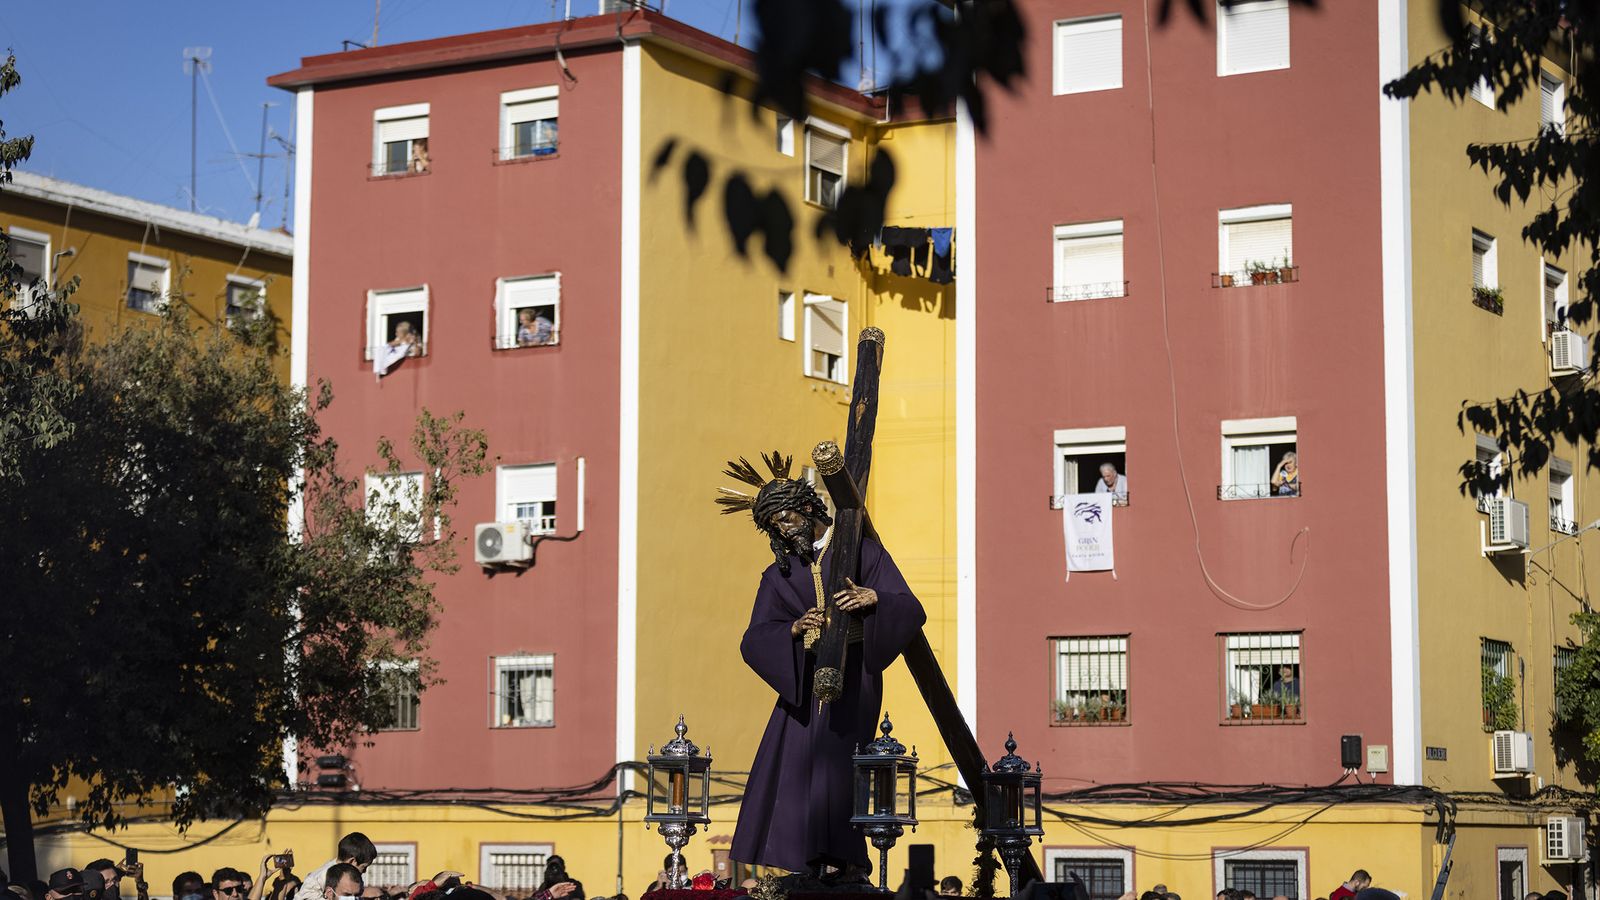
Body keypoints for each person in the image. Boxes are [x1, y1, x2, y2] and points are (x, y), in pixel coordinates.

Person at [718, 451, 927, 879]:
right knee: (792, 768)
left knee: (840, 766)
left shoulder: (861, 552)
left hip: (854, 680)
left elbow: (909, 607)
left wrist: (874, 600)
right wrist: (794, 631)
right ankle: (803, 861)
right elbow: (754, 638)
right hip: (802, 685)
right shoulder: (778, 575)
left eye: (786, 516)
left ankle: (847, 860)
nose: (782, 527)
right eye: (774, 524)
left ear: (808, 507)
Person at [294, 834, 378, 900]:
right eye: (364, 867)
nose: (364, 871)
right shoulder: (321, 875)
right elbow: (304, 897)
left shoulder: (352, 877)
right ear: (352, 861)